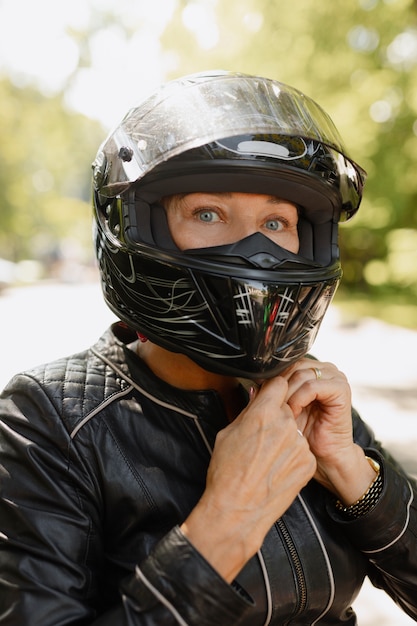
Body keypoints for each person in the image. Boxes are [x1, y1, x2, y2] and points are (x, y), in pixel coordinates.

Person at [0, 70, 416, 626]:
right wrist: (225, 523)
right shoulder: (47, 419)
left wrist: (357, 479)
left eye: (276, 221)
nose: (254, 252)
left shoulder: (304, 398)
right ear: (142, 228)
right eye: (208, 213)